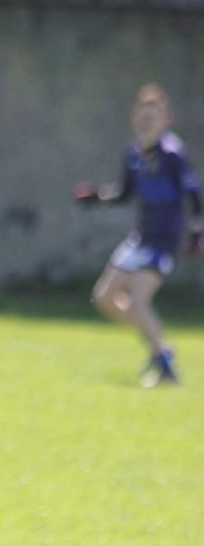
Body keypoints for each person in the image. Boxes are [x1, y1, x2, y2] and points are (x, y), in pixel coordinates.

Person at [74, 83, 202, 387]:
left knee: (138, 302)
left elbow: (194, 194)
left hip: (164, 240)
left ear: (165, 120)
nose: (147, 121)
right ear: (134, 118)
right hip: (140, 237)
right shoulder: (133, 154)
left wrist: (197, 233)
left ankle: (166, 367)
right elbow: (125, 194)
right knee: (104, 298)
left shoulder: (172, 154)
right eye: (143, 116)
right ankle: (159, 346)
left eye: (153, 116)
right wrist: (97, 196)